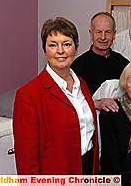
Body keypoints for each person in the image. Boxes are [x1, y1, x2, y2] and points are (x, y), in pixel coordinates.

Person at [13, 17, 99, 174]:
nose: (60, 51)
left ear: (76, 48)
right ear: (45, 49)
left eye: (67, 44)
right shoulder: (28, 95)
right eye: (53, 45)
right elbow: (26, 159)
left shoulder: (82, 84)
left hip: (87, 169)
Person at [71, 12, 129, 112]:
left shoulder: (123, 63)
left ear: (114, 34)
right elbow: (71, 102)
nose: (103, 37)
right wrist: (96, 104)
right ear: (91, 34)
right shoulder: (78, 65)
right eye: (98, 32)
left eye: (108, 32)